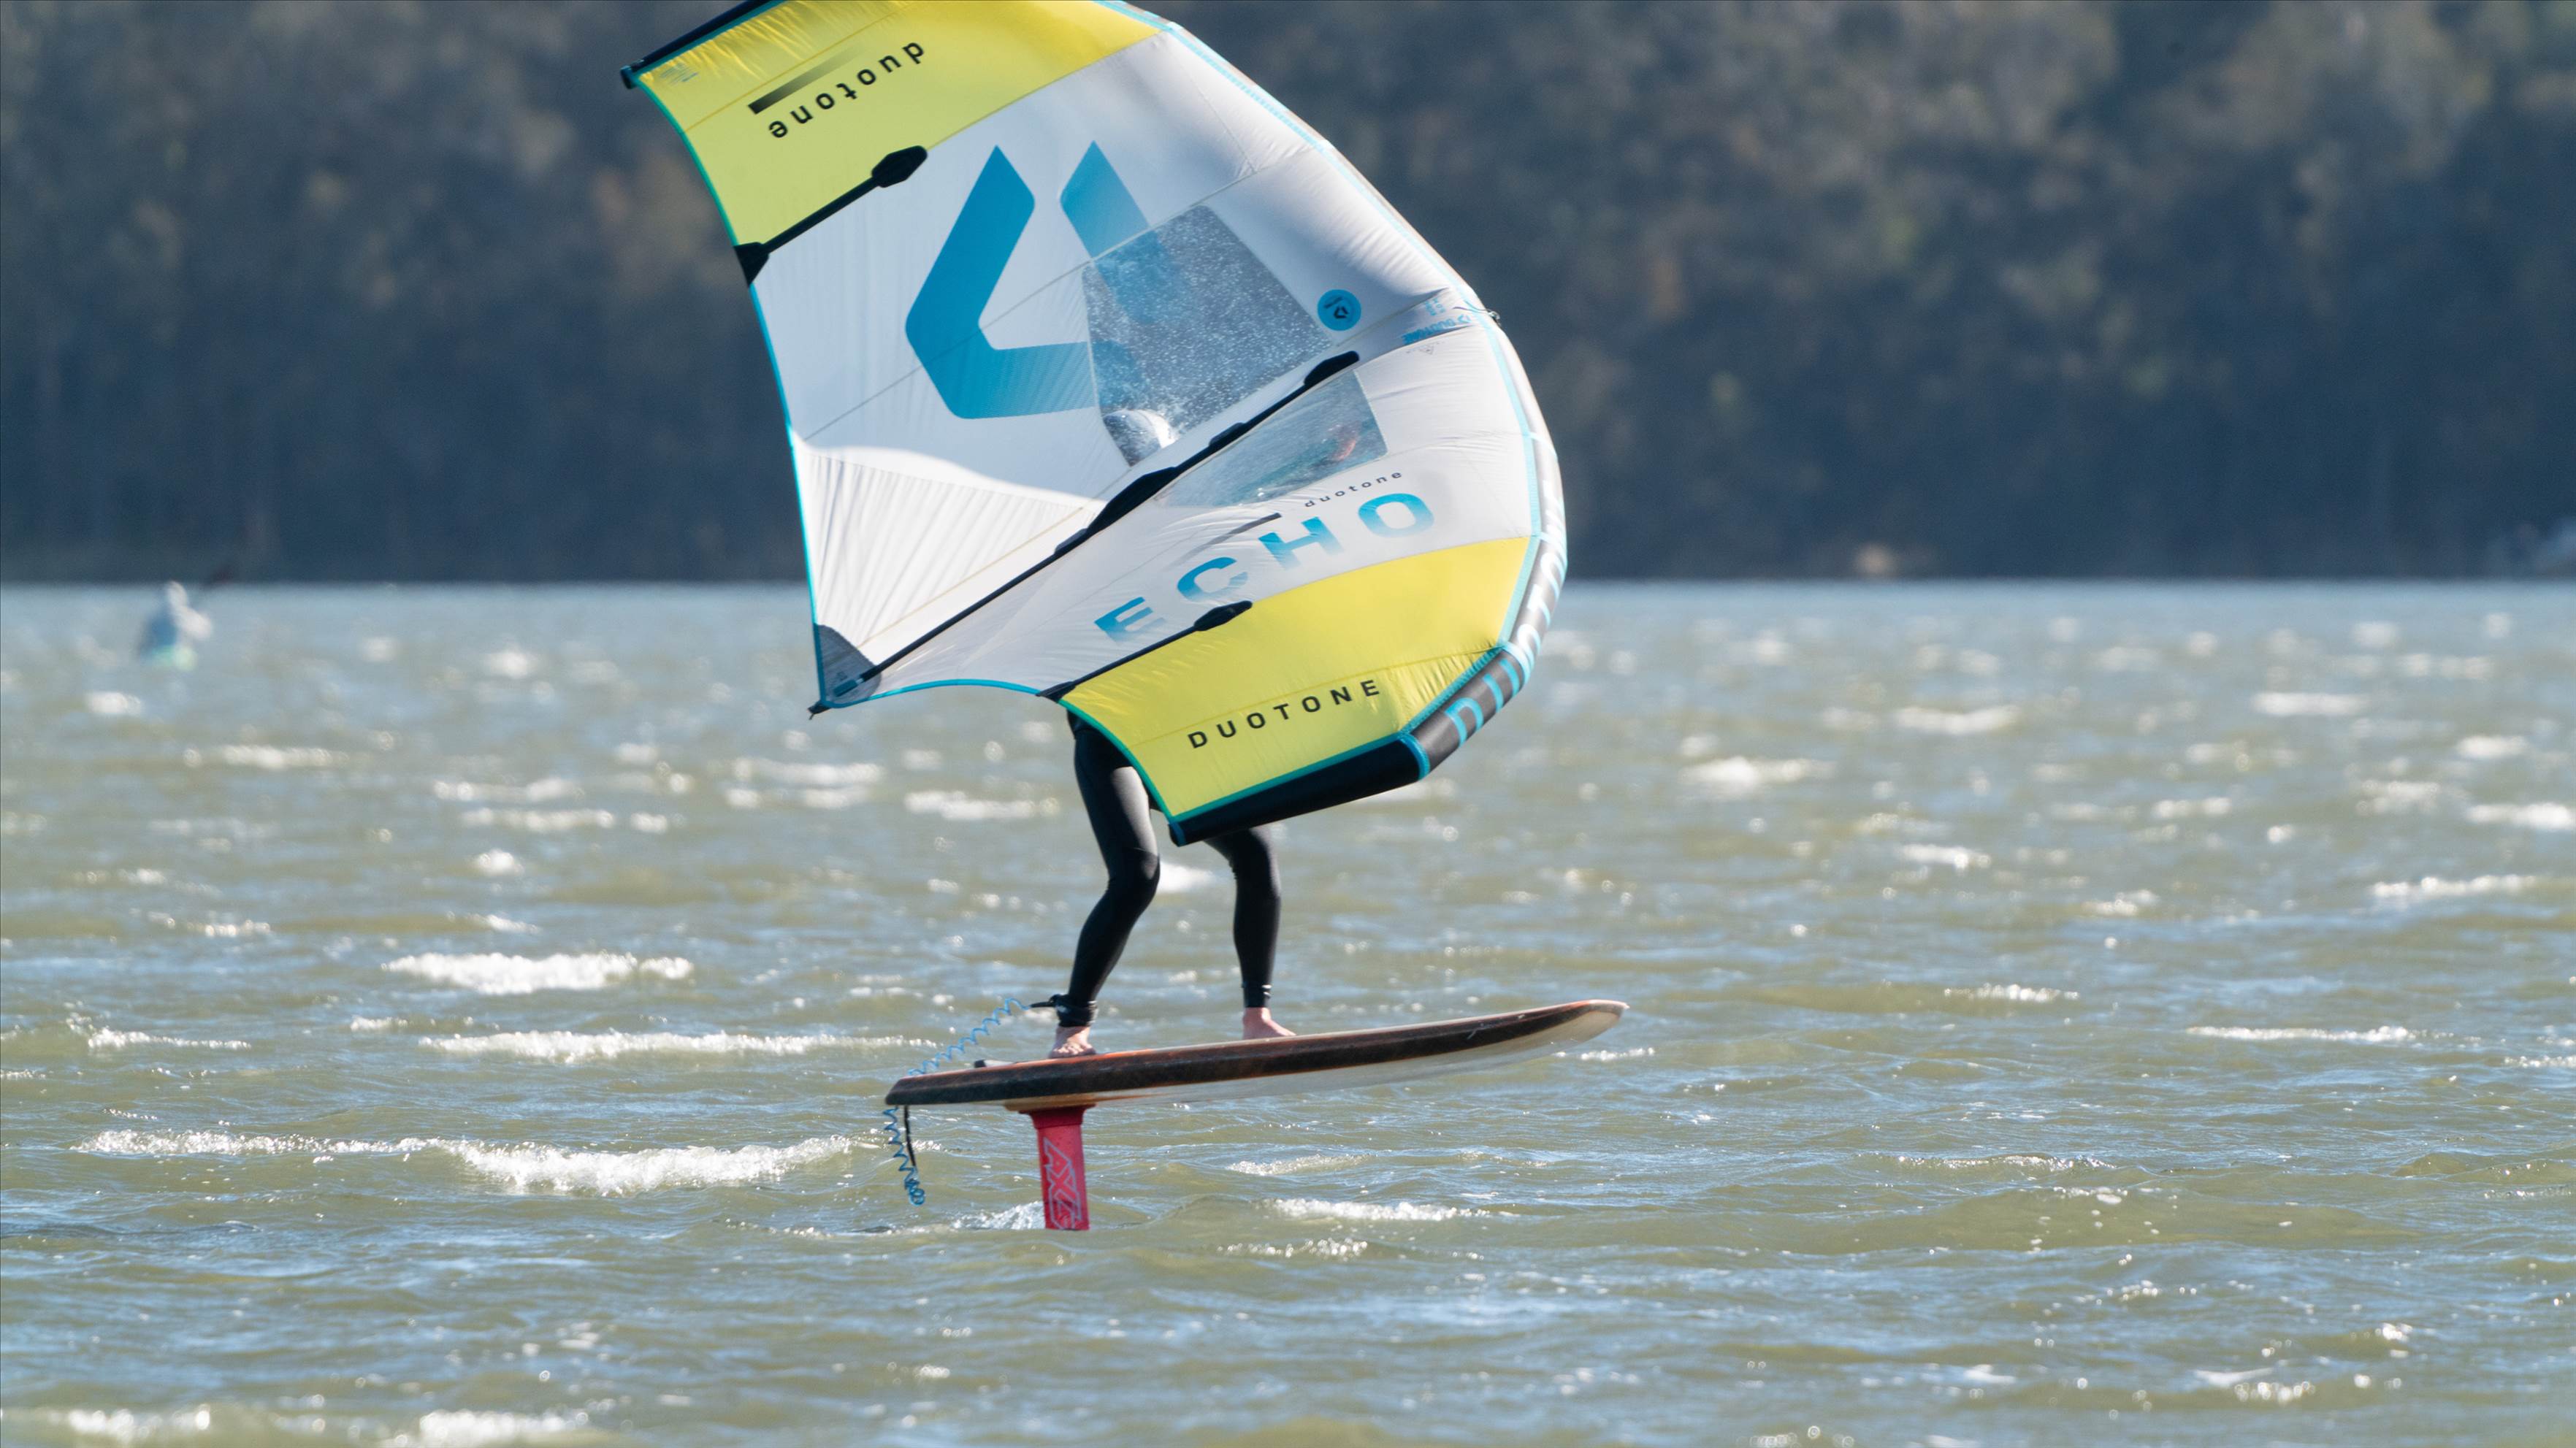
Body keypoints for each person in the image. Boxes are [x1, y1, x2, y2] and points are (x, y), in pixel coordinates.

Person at [1049, 716, 1294, 1057]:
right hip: (1111, 741)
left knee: (1256, 855)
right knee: (1137, 875)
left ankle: (1257, 1019)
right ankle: (1073, 1027)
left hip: (1180, 739)